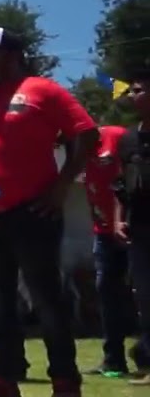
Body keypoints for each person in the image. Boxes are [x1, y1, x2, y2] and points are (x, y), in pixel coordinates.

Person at [0, 26, 97, 397]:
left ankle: (65, 379)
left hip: (34, 210)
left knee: (46, 297)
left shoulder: (43, 90)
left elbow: (85, 134)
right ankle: (2, 378)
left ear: (15, 55)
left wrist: (62, 185)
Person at [84, 123, 139, 377]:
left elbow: (126, 178)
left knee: (142, 289)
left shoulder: (115, 137)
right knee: (106, 290)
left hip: (131, 226)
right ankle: (113, 358)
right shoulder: (75, 149)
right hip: (103, 230)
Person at [116, 71, 150, 387]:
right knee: (145, 296)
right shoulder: (128, 138)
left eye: (139, 89)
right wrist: (118, 217)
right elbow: (120, 185)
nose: (133, 94)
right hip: (140, 227)